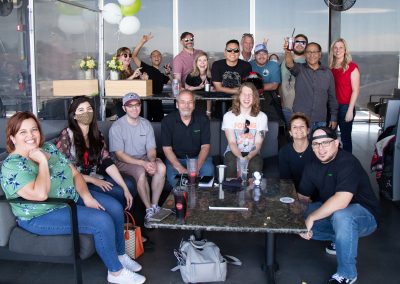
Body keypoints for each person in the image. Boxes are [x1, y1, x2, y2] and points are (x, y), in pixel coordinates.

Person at [0, 112, 145, 284]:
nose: (30, 136)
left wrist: (87, 197)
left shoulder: (48, 148)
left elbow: (75, 173)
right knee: (101, 220)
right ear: (13, 138)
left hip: (70, 198)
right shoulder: (12, 165)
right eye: (23, 132)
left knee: (114, 207)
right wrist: (43, 162)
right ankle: (115, 273)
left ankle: (120, 255)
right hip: (40, 214)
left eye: (33, 130)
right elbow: (40, 194)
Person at [298, 126, 380, 284]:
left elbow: (342, 200)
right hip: (335, 213)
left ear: (336, 143)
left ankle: (347, 274)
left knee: (342, 216)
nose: (321, 149)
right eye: (316, 144)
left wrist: (312, 218)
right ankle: (340, 239)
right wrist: (299, 218)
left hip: (365, 215)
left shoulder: (347, 162)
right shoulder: (311, 166)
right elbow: (303, 199)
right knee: (299, 218)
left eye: (326, 143)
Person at [55, 96, 136, 211]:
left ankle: (128, 222)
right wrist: (94, 181)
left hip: (94, 176)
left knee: (128, 186)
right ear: (74, 115)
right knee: (118, 193)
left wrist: (125, 187)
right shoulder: (66, 136)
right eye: (81, 110)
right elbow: (63, 170)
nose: (86, 113)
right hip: (76, 182)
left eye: (89, 109)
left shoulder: (97, 134)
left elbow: (106, 161)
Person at [109, 93, 166, 222]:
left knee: (161, 167)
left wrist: (151, 162)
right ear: (124, 108)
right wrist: (143, 164)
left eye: (137, 105)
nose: (134, 109)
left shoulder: (146, 124)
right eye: (130, 106)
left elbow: (151, 149)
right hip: (123, 161)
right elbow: (120, 155)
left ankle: (154, 205)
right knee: (140, 171)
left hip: (143, 157)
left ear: (140, 106)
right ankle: (148, 210)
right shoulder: (117, 127)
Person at [161, 90, 214, 187]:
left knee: (209, 171)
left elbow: (205, 147)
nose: (186, 106)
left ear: (194, 105)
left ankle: (200, 199)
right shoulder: (167, 121)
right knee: (176, 181)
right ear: (177, 105)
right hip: (176, 159)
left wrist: (196, 168)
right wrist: (181, 169)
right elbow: (167, 149)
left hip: (197, 158)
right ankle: (184, 199)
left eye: (189, 102)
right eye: (182, 102)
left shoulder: (203, 119)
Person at [221, 82, 268, 178]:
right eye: (244, 94)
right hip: (232, 151)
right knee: (231, 163)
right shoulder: (229, 116)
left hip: (253, 152)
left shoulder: (262, 117)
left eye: (250, 95)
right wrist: (240, 157)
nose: (247, 97)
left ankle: (251, 191)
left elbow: (258, 143)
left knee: (255, 165)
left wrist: (248, 157)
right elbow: (232, 142)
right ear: (239, 96)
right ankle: (231, 191)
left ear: (254, 98)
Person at [329, 38, 360, 153]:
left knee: (345, 139)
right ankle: (333, 162)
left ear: (345, 50)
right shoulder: (331, 68)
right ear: (333, 50)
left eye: (341, 47)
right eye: (335, 47)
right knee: (331, 138)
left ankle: (347, 165)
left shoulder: (352, 67)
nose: (338, 50)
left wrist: (350, 110)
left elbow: (355, 90)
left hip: (345, 107)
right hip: (332, 107)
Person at [132, 33, 172, 121]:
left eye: (158, 55)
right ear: (150, 58)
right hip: (145, 103)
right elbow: (134, 56)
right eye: (154, 55)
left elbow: (173, 83)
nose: (156, 57)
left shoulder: (162, 76)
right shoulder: (146, 68)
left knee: (160, 126)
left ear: (161, 58)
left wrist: (169, 73)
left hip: (158, 103)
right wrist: (142, 42)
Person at [279, 112, 315, 191]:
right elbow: (285, 180)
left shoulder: (317, 148)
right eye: (294, 127)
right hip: (292, 194)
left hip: (315, 195)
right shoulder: (284, 152)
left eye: (302, 126)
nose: (298, 129)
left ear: (308, 130)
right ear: (290, 132)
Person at [280, 34, 308, 125]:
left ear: (306, 45)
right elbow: (281, 82)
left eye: (303, 42)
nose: (300, 44)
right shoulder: (284, 61)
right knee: (290, 136)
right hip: (287, 107)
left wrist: (287, 52)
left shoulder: (309, 62)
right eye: (297, 41)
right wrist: (282, 102)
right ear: (293, 43)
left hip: (302, 108)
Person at [185, 51, 212, 117]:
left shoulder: (212, 75)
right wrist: (198, 87)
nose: (202, 63)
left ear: (207, 62)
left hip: (208, 106)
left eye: (204, 60)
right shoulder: (191, 75)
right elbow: (186, 89)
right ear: (196, 63)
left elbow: (211, 95)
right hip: (193, 105)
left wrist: (208, 111)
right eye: (199, 60)